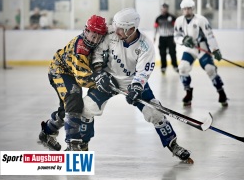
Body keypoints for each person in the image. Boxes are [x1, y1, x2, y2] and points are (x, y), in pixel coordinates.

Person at [81, 8, 193, 163]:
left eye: (120, 28)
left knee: (155, 113)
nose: (116, 30)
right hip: (109, 79)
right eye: (116, 26)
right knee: (86, 108)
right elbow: (98, 52)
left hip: (131, 82)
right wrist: (99, 72)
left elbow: (142, 72)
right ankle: (81, 145)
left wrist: (136, 88)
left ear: (131, 29)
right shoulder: (112, 33)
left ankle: (173, 144)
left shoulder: (145, 46)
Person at [38, 15, 108, 151]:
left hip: (71, 73)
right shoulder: (80, 47)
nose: (95, 40)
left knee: (69, 109)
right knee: (73, 97)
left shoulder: (98, 43)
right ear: (86, 31)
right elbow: (82, 79)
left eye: (99, 37)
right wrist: (101, 83)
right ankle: (72, 144)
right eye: (93, 35)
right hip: (59, 71)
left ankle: (47, 132)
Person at [174, 0, 228, 107]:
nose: (187, 11)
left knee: (210, 69)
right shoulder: (179, 21)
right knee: (183, 68)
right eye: (185, 9)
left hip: (202, 48)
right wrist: (183, 40)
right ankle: (188, 93)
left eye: (189, 9)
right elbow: (176, 37)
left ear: (193, 9)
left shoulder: (201, 20)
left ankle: (221, 92)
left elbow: (210, 35)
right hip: (190, 49)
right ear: (182, 10)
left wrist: (215, 49)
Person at [154, 3, 178, 74]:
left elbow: (176, 27)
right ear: (161, 9)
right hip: (162, 38)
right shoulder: (158, 18)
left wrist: (176, 36)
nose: (164, 9)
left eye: (165, 8)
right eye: (163, 8)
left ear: (167, 9)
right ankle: (163, 67)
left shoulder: (172, 17)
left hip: (171, 37)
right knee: (162, 53)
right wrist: (154, 36)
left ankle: (175, 66)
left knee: (172, 52)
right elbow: (155, 28)